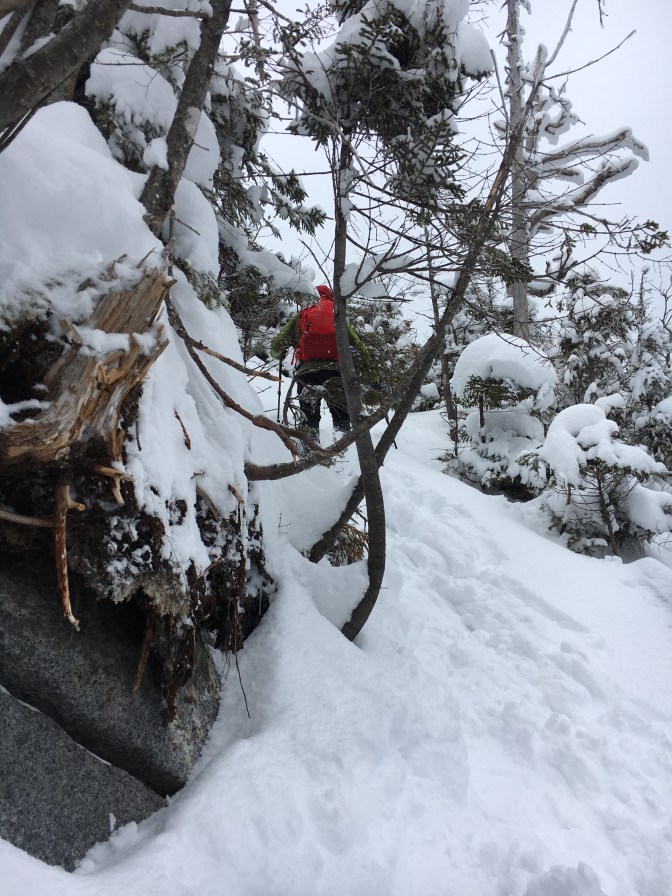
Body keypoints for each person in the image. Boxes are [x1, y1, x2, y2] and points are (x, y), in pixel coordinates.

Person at [270, 284, 377, 439]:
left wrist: (280, 352)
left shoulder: (301, 315)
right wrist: (373, 377)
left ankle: (310, 449)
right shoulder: (337, 316)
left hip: (306, 373)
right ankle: (342, 448)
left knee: (309, 417)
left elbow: (275, 347)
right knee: (341, 416)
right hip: (335, 371)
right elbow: (358, 346)